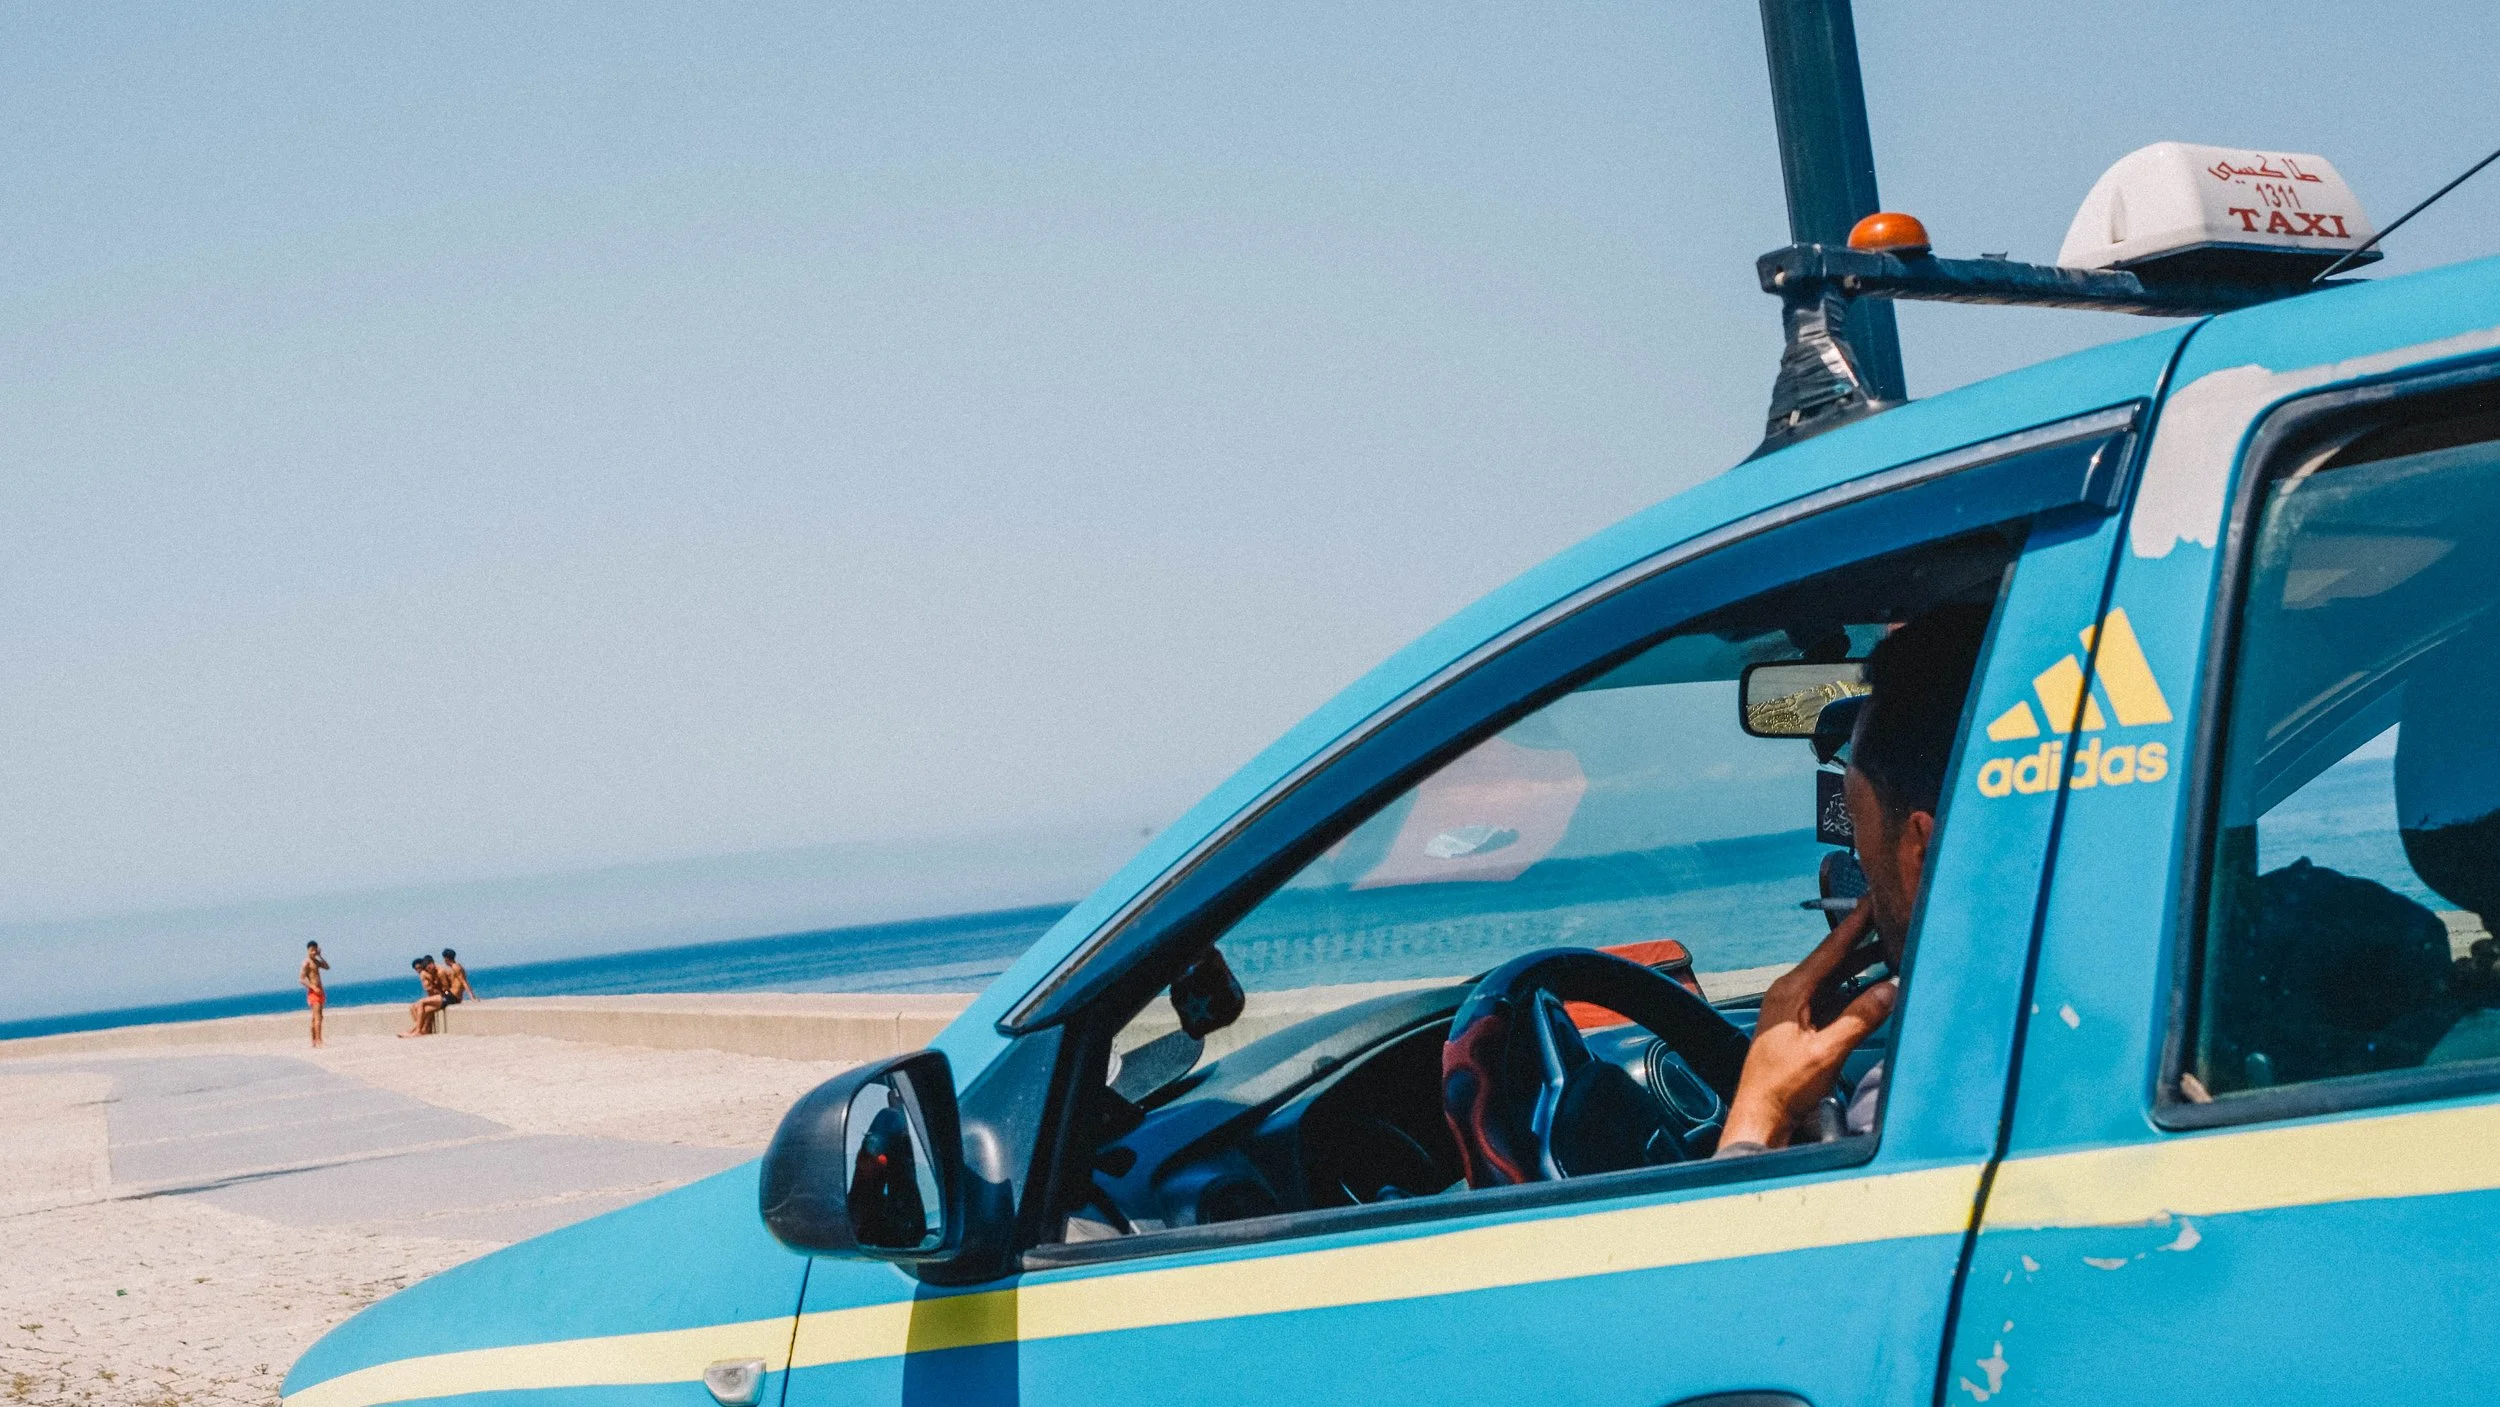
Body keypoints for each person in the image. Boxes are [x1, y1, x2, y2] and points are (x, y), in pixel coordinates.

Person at [1718, 605, 1990, 1154]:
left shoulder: (1910, 1100)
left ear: (1922, 850)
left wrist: (1762, 1110)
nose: (1865, 880)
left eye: (1863, 847)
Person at [401, 956, 448, 1038]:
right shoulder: (423, 974)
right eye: (416, 969)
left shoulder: (425, 974)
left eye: (419, 968)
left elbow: (435, 983)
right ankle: (421, 1027)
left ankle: (418, 1029)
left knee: (422, 1007)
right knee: (412, 1007)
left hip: (437, 996)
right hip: (432, 996)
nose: (418, 970)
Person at [300, 941, 331, 1048]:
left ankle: (314, 1041)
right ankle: (319, 1040)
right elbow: (302, 979)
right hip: (314, 992)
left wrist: (320, 956)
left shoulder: (316, 961)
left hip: (320, 991)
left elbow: (327, 967)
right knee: (317, 1017)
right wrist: (313, 987)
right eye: (311, 950)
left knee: (317, 1017)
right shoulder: (306, 963)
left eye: (315, 950)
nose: (313, 952)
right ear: (308, 950)